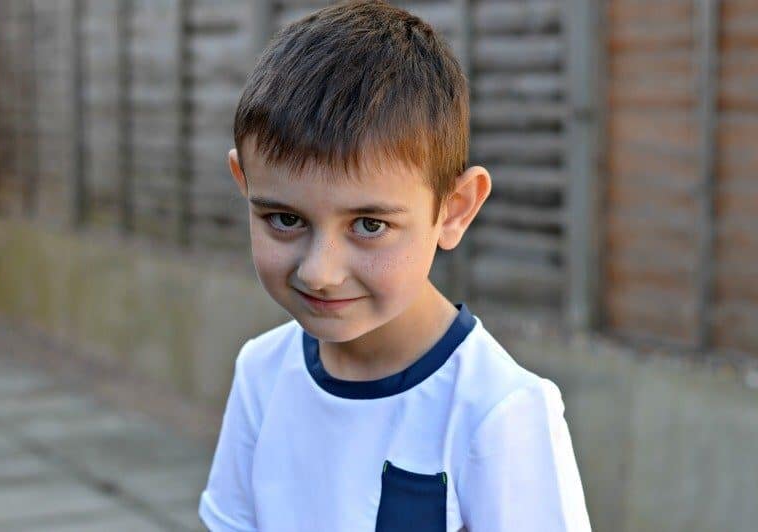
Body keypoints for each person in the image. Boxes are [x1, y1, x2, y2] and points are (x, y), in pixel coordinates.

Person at [198, 1, 591, 530]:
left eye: (369, 225)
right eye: (285, 219)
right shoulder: (261, 374)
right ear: (243, 183)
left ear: (454, 211)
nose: (320, 272)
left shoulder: (499, 413)